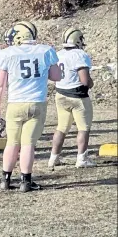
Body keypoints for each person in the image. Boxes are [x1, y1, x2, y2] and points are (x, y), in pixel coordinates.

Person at [0, 21, 62, 192]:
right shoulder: (45, 50)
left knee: (12, 142)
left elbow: (0, 85)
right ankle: (26, 181)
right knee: (28, 144)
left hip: (15, 103)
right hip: (36, 102)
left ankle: (5, 179)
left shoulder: (7, 53)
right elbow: (56, 76)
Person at [48, 27, 96, 169]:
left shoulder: (58, 53)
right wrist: (91, 82)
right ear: (78, 40)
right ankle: (81, 158)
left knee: (61, 127)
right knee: (83, 128)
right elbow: (85, 81)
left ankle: (53, 158)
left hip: (61, 94)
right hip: (78, 96)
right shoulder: (80, 54)